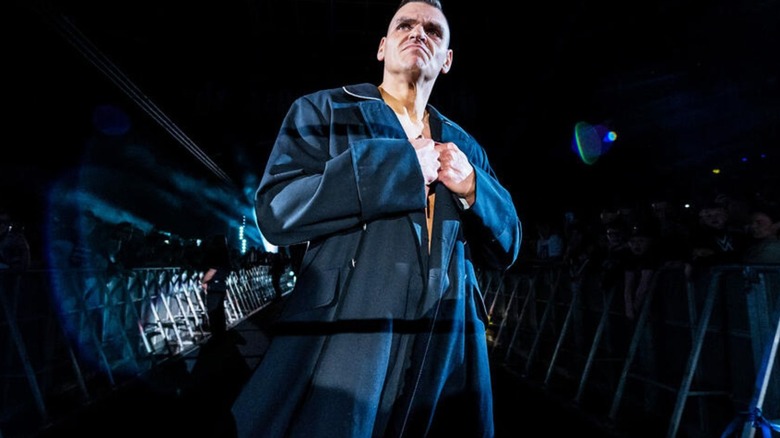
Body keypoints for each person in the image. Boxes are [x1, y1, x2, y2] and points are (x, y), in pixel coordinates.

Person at [230, 1, 522, 437]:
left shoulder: (464, 146)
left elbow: (509, 245)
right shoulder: (324, 111)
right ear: (383, 47)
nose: (418, 33)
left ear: (447, 62)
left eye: (433, 31)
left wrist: (475, 188)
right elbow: (276, 210)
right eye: (405, 25)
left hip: (445, 337)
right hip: (350, 325)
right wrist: (398, 167)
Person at [200, 234, 234, 337]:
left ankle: (216, 334)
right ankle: (221, 332)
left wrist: (203, 281)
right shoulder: (226, 255)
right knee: (219, 311)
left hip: (214, 286)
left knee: (213, 311)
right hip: (222, 285)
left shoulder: (217, 254)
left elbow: (212, 271)